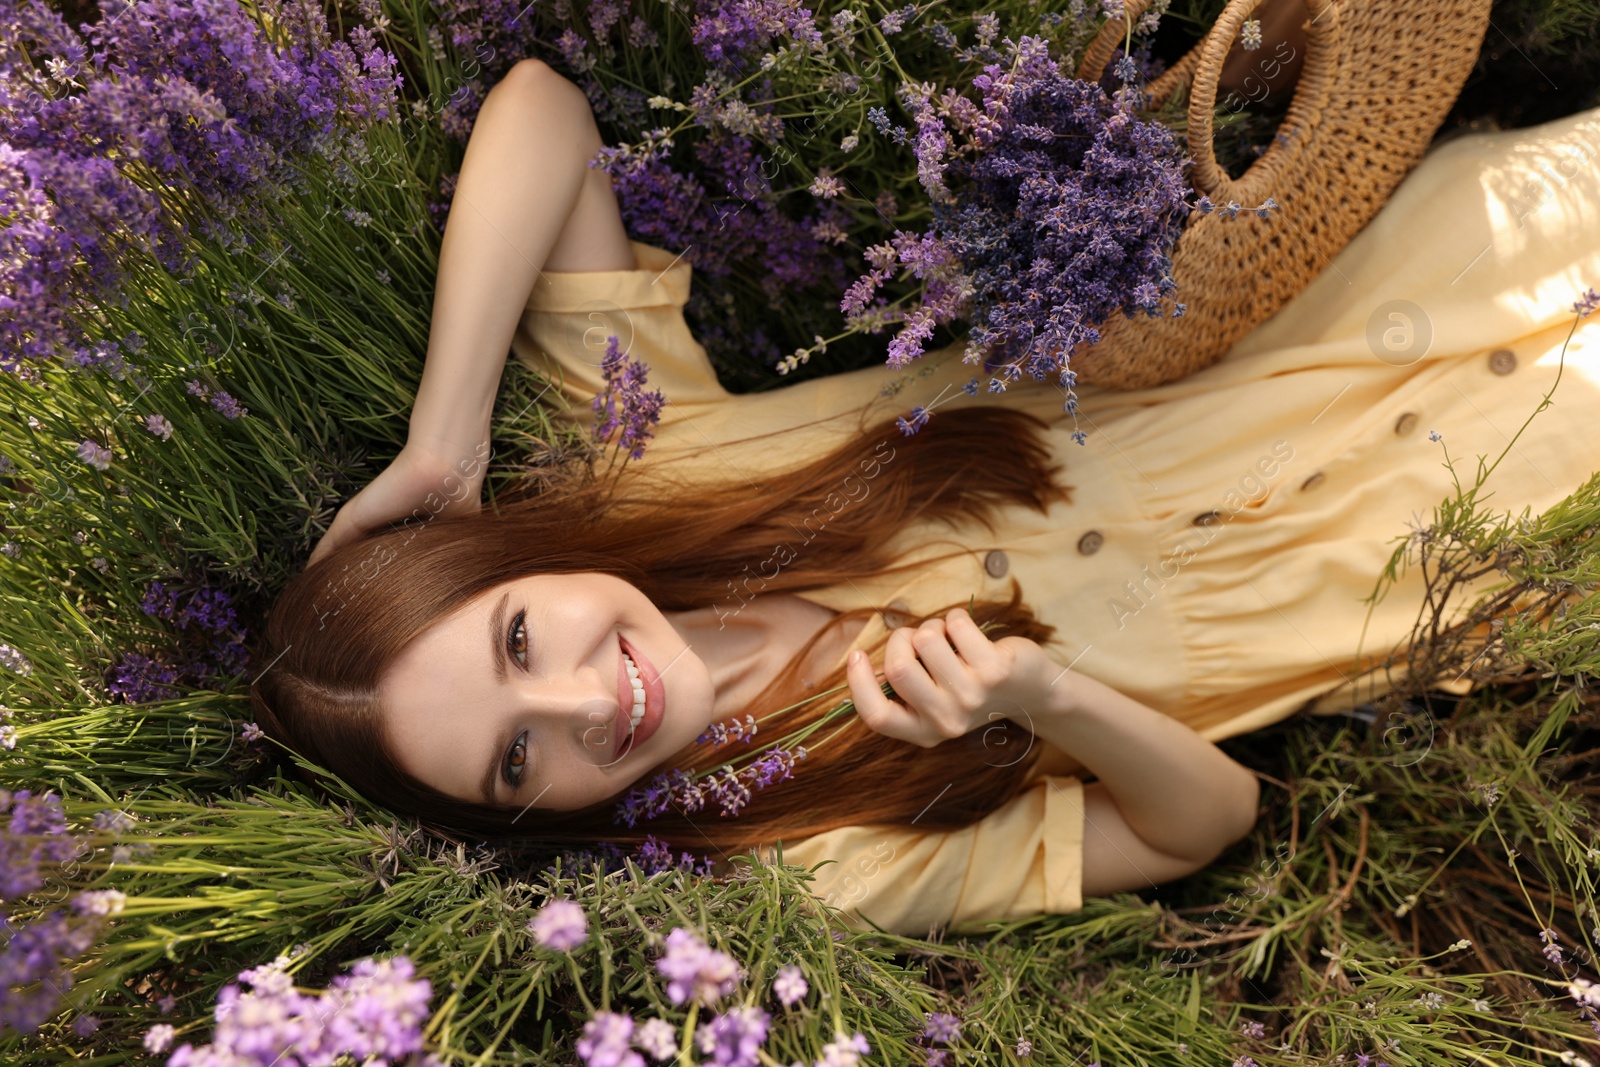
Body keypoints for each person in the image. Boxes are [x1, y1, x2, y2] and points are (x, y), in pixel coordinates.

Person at [253, 58, 1600, 937]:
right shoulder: (808, 861)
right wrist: (1044, 700)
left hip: (1397, 280)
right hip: (1461, 527)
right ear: (523, 818)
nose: (585, 703)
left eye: (515, 641)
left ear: (507, 566)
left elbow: (542, 115)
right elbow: (1203, 825)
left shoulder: (638, 463)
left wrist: (445, 446)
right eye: (513, 759)